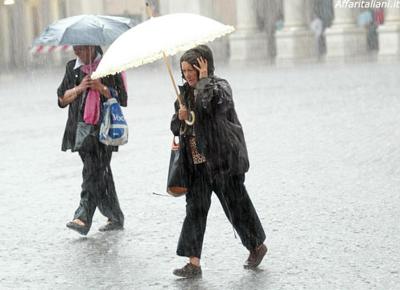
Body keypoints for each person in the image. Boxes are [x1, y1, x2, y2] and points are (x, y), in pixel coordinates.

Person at [170, 45, 267, 278]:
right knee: (195, 211)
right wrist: (179, 118)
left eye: (190, 69)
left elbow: (211, 106)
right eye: (183, 70)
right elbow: (176, 127)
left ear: (203, 67)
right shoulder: (183, 95)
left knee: (236, 206)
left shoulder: (220, 87)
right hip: (196, 165)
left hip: (222, 161)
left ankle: (256, 246)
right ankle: (193, 262)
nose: (186, 75)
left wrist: (204, 81)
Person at [57, 45, 127, 235]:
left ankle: (82, 217)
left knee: (93, 171)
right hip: (79, 129)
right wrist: (80, 88)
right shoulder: (72, 67)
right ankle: (115, 216)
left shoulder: (111, 66)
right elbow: (62, 99)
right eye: (75, 48)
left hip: (104, 130)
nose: (76, 52)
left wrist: (101, 88)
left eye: (80, 48)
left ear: (91, 47)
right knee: (100, 173)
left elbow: (122, 98)